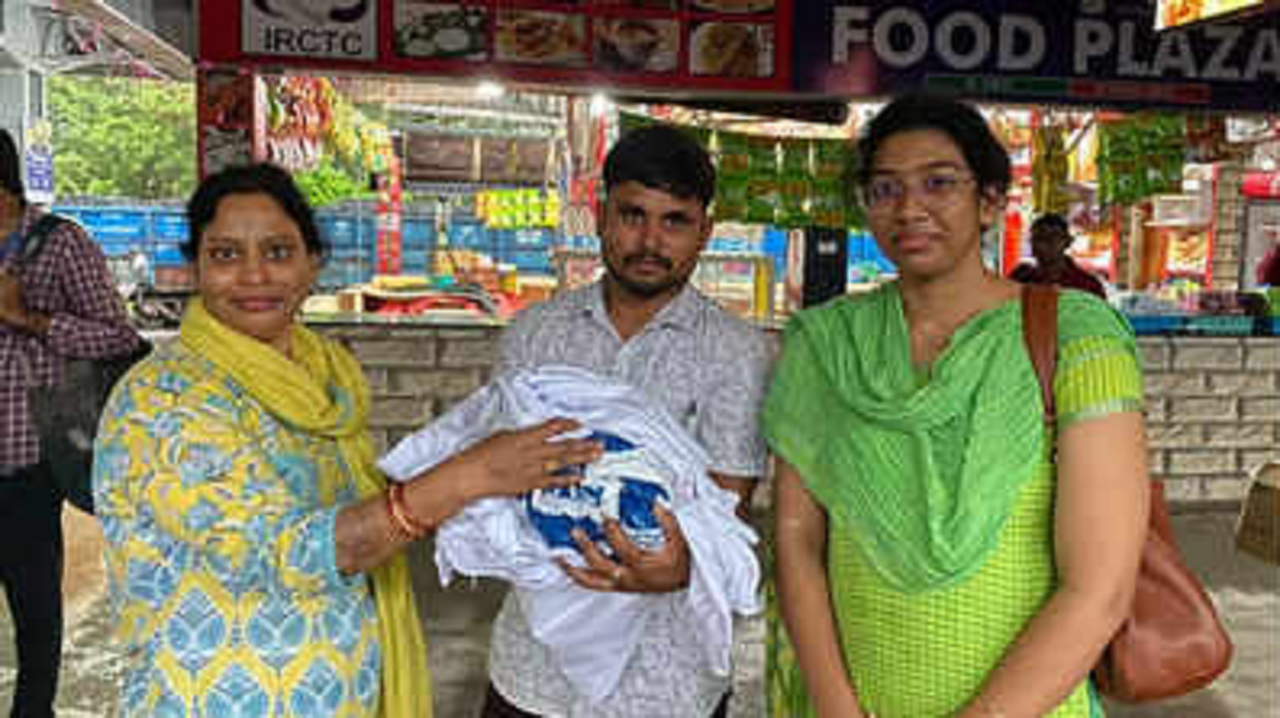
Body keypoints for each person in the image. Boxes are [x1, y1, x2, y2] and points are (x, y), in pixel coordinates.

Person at [92, 163, 602, 717]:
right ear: (194, 267)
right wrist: (468, 478)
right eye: (225, 255)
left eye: (278, 253)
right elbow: (291, 553)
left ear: (313, 265)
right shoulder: (164, 400)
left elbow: (349, 505)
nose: (254, 275)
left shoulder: (324, 371)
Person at [766, 94, 1150, 718]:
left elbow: (1098, 590)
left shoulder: (1078, 337)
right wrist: (838, 709)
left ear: (991, 201)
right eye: (885, 189)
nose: (910, 208)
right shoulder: (825, 344)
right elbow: (797, 539)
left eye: (939, 183)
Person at [481, 125, 773, 717]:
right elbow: (500, 477)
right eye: (632, 214)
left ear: (705, 233)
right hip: (535, 671)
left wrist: (684, 561)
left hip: (666, 684)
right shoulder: (535, 335)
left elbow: (724, 511)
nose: (649, 241)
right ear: (600, 216)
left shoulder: (736, 351)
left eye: (675, 221)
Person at [0, 127, 141, 717]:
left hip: (25, 462)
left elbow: (119, 336)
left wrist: (26, 317)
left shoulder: (60, 244)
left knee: (35, 611)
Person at [1009, 213, 1108, 299]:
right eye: (1040, 237)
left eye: (1054, 237)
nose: (1046, 243)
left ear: (1068, 242)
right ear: (1032, 244)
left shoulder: (1088, 285)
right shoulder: (1020, 278)